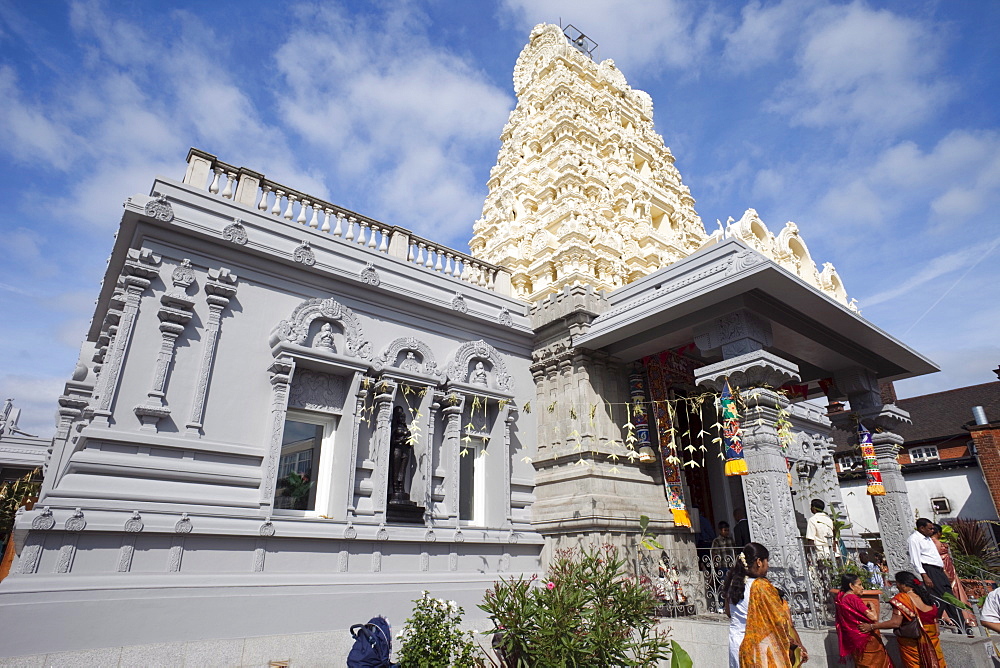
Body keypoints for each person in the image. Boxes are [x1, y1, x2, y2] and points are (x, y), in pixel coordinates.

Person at [723, 542, 807, 667]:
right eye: (766, 561)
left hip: (736, 644)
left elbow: (729, 613)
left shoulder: (733, 583)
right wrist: (796, 644)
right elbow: (779, 619)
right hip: (757, 647)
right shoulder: (760, 586)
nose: (767, 565)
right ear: (759, 562)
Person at [860, 571, 945, 667]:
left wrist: (872, 626)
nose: (897, 587)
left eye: (897, 584)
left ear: (904, 585)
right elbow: (936, 626)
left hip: (912, 644)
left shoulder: (902, 598)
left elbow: (895, 623)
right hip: (933, 643)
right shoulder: (927, 597)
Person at [908, 518, 961, 627]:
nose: (932, 530)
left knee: (949, 596)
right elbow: (915, 560)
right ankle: (932, 623)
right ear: (922, 528)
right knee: (940, 598)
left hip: (938, 570)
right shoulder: (914, 539)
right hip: (928, 570)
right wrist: (925, 575)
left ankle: (961, 624)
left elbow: (935, 556)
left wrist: (943, 570)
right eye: (930, 528)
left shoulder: (928, 539)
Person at [834, 573, 892, 667]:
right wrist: (872, 606)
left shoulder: (841, 598)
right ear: (851, 586)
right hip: (866, 639)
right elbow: (873, 617)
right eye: (860, 585)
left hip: (855, 639)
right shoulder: (853, 599)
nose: (862, 588)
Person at [930, 523, 976, 631]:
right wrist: (944, 572)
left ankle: (964, 618)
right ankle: (950, 618)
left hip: (948, 566)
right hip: (942, 567)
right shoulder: (931, 543)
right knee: (948, 592)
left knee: (955, 590)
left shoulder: (935, 541)